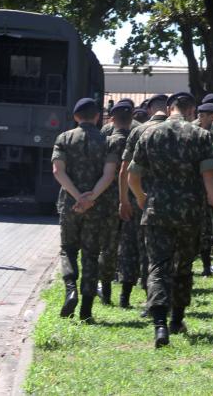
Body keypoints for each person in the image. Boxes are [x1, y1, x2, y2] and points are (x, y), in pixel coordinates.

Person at [128, 92, 213, 348]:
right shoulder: (201, 135)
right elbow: (209, 178)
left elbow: (133, 176)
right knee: (183, 267)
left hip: (157, 210)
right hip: (190, 212)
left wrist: (141, 198)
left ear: (169, 107)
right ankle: (177, 319)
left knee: (158, 266)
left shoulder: (149, 134)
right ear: (192, 110)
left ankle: (159, 324)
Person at [51, 98, 120, 322]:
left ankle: (71, 290)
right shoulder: (108, 141)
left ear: (75, 117)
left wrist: (77, 196)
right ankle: (86, 311)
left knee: (68, 249)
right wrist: (91, 198)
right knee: (91, 254)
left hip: (70, 205)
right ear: (98, 117)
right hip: (96, 207)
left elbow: (58, 171)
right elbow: (109, 175)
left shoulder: (64, 138)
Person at [117, 94, 168, 312]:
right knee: (155, 250)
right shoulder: (176, 131)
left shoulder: (138, 131)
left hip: (138, 195)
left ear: (149, 110)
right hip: (164, 199)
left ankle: (125, 295)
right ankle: (153, 299)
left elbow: (124, 170)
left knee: (130, 245)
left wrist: (124, 200)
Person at [97, 100, 135, 305]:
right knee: (130, 246)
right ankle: (125, 296)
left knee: (108, 245)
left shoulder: (107, 142)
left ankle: (106, 290)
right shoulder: (139, 138)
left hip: (108, 200)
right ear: (131, 119)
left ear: (112, 119)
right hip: (133, 198)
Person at [196, 102, 213, 276]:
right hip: (201, 183)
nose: (199, 119)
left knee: (209, 226)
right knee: (204, 226)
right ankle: (207, 264)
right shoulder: (198, 133)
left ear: (212, 116)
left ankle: (212, 264)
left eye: (203, 116)